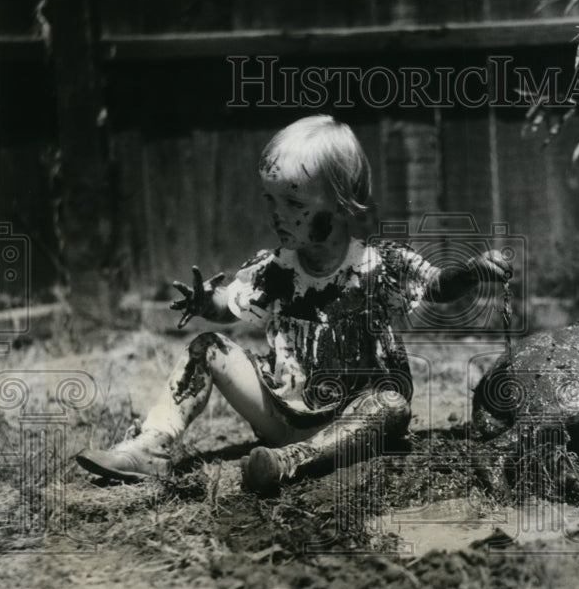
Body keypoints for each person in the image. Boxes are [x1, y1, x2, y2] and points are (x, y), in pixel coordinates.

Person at [75, 115, 511, 495]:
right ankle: (151, 447)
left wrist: (471, 272)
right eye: (270, 199)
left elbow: (434, 287)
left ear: (341, 202)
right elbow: (230, 306)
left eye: (293, 202)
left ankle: (291, 463)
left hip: (351, 423)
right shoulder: (276, 269)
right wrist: (208, 302)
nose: (276, 214)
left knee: (392, 405)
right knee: (207, 348)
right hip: (280, 412)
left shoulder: (380, 265)